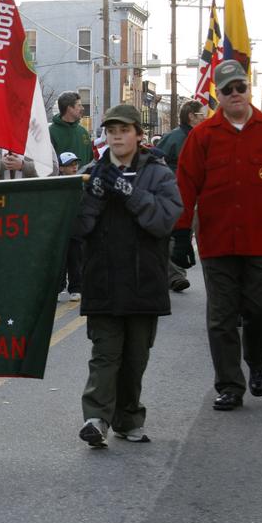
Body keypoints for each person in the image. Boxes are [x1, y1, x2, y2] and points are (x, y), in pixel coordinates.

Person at [170, 60, 262, 411]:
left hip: (261, 240)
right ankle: (230, 385)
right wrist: (180, 234)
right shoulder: (203, 136)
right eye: (227, 89)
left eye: (240, 88)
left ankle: (257, 358)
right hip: (217, 242)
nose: (235, 94)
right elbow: (185, 187)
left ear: (250, 90)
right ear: (218, 94)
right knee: (221, 316)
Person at [74, 104, 183, 447]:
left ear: (138, 134)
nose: (117, 136)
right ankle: (96, 418)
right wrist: (92, 198)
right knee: (105, 355)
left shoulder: (158, 173)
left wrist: (128, 193)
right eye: (111, 130)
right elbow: (78, 228)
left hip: (143, 281)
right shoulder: (92, 172)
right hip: (103, 281)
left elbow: (165, 220)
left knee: (135, 359)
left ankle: (128, 417)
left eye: (124, 130)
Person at [157, 100, 206, 293]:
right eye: (201, 115)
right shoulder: (173, 138)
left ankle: (173, 273)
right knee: (175, 235)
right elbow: (156, 161)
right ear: (191, 116)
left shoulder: (203, 138)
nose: (204, 118)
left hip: (198, 197)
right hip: (174, 195)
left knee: (188, 234)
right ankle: (176, 276)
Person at [54, 151, 84, 301]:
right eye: (69, 165)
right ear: (60, 168)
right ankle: (59, 288)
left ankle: (76, 288)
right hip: (60, 229)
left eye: (75, 164)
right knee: (60, 260)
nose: (74, 167)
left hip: (75, 229)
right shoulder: (55, 186)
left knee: (75, 259)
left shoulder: (80, 183)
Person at [49, 91, 93, 169]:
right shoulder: (51, 133)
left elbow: (90, 160)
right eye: (79, 105)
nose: (82, 108)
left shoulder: (83, 132)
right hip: (61, 180)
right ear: (69, 108)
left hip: (83, 180)